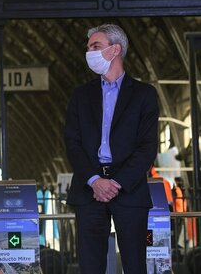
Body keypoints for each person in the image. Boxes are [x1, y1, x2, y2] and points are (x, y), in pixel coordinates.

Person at [64, 24, 159, 274]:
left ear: (115, 49)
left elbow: (147, 148)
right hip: (89, 190)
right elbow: (72, 144)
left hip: (129, 189)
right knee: (90, 266)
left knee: (134, 265)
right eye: (88, 48)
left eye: (95, 46)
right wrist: (95, 180)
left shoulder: (144, 95)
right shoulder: (80, 96)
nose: (89, 53)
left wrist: (115, 183)